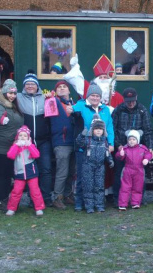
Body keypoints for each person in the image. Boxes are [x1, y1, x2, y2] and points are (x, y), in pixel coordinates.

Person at [72, 83, 114, 211]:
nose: (95, 98)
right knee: (81, 176)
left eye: (97, 96)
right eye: (93, 95)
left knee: (98, 178)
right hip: (84, 147)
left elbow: (110, 127)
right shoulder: (81, 106)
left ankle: (97, 203)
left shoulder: (105, 109)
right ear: (88, 96)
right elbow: (72, 110)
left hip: (101, 147)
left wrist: (111, 143)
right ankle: (79, 202)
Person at [111, 87, 153, 203]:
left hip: (138, 149)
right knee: (119, 172)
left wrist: (150, 147)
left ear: (136, 98)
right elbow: (112, 129)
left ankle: (139, 199)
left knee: (139, 174)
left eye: (133, 100)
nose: (130, 103)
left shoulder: (142, 110)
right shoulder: (118, 110)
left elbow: (148, 130)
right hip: (122, 147)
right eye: (128, 100)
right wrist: (118, 145)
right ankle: (117, 198)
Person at [0, 79, 25, 207]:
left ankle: (8, 198)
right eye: (9, 93)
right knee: (1, 175)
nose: (12, 96)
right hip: (1, 148)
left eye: (14, 93)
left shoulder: (15, 107)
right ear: (4, 93)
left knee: (11, 174)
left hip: (14, 148)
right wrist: (2, 118)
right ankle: (0, 199)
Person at [17, 72, 53, 203]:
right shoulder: (18, 97)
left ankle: (46, 197)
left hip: (43, 140)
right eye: (27, 84)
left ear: (37, 86)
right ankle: (34, 199)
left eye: (33, 84)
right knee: (30, 171)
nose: (30, 86)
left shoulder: (44, 97)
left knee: (46, 169)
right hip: (26, 142)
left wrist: (50, 97)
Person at [46, 80, 77, 209]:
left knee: (71, 171)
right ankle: (58, 197)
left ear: (69, 90)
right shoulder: (53, 101)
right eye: (59, 87)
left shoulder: (73, 103)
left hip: (74, 142)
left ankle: (68, 194)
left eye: (65, 87)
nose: (62, 88)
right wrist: (49, 97)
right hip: (61, 142)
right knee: (62, 172)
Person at [6, 126, 46, 216]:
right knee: (16, 191)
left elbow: (36, 155)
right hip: (19, 173)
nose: (23, 137)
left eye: (25, 135)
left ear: (28, 138)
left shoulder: (31, 146)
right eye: (20, 135)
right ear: (17, 137)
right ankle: (11, 208)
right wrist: (16, 145)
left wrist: (29, 145)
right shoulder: (15, 146)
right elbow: (10, 155)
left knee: (35, 191)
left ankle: (39, 208)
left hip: (31, 173)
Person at [77, 119, 114, 213]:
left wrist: (110, 161)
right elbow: (79, 143)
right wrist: (82, 135)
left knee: (99, 187)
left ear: (103, 131)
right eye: (96, 128)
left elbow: (107, 154)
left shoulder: (105, 142)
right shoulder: (88, 140)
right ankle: (89, 206)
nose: (98, 130)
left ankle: (99, 205)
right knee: (88, 187)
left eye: (100, 129)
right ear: (92, 130)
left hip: (100, 167)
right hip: (88, 166)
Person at [116, 130, 153, 210]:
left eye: (133, 139)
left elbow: (148, 154)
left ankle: (135, 203)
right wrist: (120, 154)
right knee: (125, 187)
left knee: (138, 187)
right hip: (127, 170)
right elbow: (118, 156)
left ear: (137, 140)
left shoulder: (142, 148)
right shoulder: (125, 148)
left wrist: (146, 159)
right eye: (130, 139)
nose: (131, 141)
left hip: (139, 170)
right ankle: (123, 204)